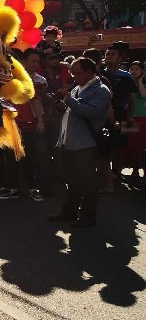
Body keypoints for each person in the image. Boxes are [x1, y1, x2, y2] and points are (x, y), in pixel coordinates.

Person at [50, 57, 110, 227]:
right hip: (70, 142)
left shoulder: (101, 90)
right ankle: (69, 212)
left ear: (90, 72)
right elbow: (74, 111)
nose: (74, 76)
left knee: (88, 182)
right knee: (73, 181)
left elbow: (91, 113)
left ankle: (88, 217)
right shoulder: (78, 88)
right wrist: (62, 105)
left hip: (85, 144)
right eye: (72, 73)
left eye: (78, 73)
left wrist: (69, 101)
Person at [0, 49, 46, 201]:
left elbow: (35, 100)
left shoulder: (25, 80)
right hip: (9, 126)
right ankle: (13, 189)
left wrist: (40, 120)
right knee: (10, 159)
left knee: (30, 158)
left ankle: (33, 188)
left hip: (28, 125)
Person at [100, 43, 136, 190]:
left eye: (112, 54)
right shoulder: (100, 73)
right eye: (107, 54)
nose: (109, 56)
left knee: (118, 145)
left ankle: (116, 173)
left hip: (120, 114)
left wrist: (130, 116)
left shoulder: (126, 76)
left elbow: (132, 99)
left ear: (120, 58)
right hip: (102, 114)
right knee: (104, 145)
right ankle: (106, 176)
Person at [125, 60, 145, 185]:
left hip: (142, 117)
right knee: (131, 146)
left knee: (141, 146)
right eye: (132, 69)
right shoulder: (127, 82)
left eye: (137, 69)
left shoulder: (143, 83)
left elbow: (143, 94)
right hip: (130, 117)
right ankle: (134, 170)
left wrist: (141, 79)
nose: (134, 71)